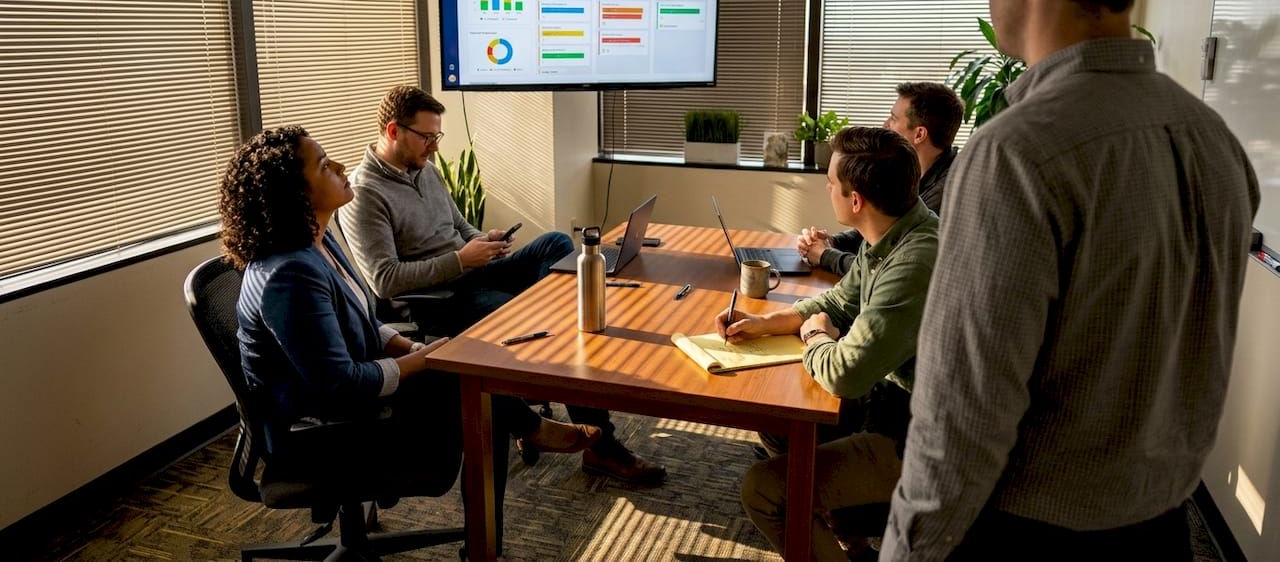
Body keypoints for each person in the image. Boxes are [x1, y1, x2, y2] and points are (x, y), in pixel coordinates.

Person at [881, 0, 1260, 560]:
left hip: (1029, 536)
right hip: (1163, 530)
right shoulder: (1216, 141)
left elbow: (961, 415)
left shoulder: (1016, 154)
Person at [221, 126, 602, 555]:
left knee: (465, 371)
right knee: (470, 383)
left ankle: (494, 521)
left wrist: (410, 349)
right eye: (325, 165)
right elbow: (339, 384)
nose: (341, 166)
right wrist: (422, 364)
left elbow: (361, 319)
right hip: (315, 433)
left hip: (341, 400)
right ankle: (524, 450)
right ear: (295, 193)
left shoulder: (318, 240)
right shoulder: (290, 272)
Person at [340, 86, 665, 485]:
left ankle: (536, 370)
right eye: (427, 137)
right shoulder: (364, 193)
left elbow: (458, 226)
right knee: (536, 319)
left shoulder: (424, 168)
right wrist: (461, 259)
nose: (434, 147)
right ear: (393, 131)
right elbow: (384, 280)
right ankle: (600, 446)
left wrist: (485, 241)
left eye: (437, 137)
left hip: (471, 271)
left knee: (557, 245)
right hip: (437, 300)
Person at [722, 126, 939, 559]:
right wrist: (764, 324)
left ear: (855, 200)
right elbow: (839, 302)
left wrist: (815, 336)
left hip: (916, 435)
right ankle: (846, 533)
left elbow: (844, 374)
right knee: (776, 416)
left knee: (763, 491)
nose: (826, 188)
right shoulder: (893, 231)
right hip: (891, 402)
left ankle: (840, 523)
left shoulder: (915, 259)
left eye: (830, 182)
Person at [798, 82, 961, 275]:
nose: (885, 124)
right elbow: (879, 227)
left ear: (919, 134)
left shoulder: (947, 192)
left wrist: (825, 255)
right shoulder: (915, 173)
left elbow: (885, 266)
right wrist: (832, 242)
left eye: (893, 118)